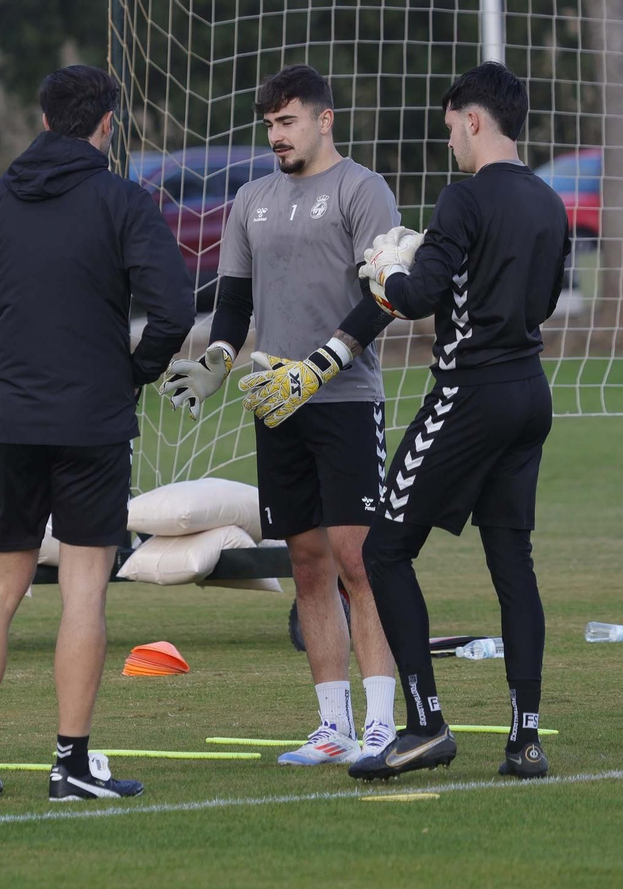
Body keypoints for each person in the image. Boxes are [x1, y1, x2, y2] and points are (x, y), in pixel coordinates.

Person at [238, 61, 570, 781]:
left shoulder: (461, 199)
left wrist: (387, 268)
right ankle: (526, 738)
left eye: (452, 125)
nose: (449, 138)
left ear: (475, 119)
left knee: (383, 551)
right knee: (513, 561)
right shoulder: (550, 202)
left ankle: (423, 725)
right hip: (529, 392)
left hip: (469, 394)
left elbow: (414, 296)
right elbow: (543, 300)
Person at [0, 64, 193, 802]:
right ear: (108, 126)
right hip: (93, 424)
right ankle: (70, 763)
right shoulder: (123, 201)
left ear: (43, 122)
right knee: (83, 594)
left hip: (15, 423)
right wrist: (131, 371)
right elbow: (172, 310)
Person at [160, 65, 403, 766]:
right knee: (306, 564)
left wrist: (322, 363)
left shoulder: (363, 189)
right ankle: (334, 727)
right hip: (274, 401)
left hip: (344, 401)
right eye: (269, 123)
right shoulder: (251, 199)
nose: (276, 135)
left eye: (287, 121)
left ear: (324, 120)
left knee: (360, 558)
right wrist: (218, 356)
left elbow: (385, 294)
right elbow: (233, 298)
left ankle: (383, 721)